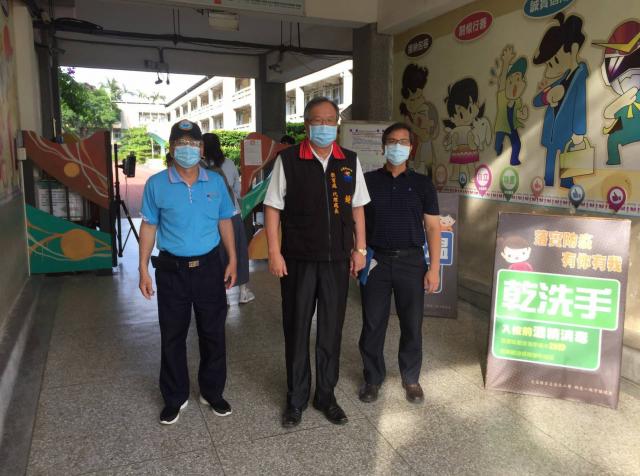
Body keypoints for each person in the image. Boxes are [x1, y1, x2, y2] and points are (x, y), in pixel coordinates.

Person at [264, 97, 370, 428]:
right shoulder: (288, 160)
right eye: (317, 120)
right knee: (296, 328)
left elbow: (357, 207)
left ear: (337, 123)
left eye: (329, 120)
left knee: (330, 330)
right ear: (306, 124)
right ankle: (296, 399)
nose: (324, 126)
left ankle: (326, 395)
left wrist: (360, 249)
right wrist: (274, 251)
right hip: (298, 260)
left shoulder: (349, 161)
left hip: (337, 260)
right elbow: (272, 207)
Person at [138, 119, 237, 425]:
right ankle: (175, 396)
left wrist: (233, 259)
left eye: (193, 144)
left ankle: (212, 391)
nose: (187, 149)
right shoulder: (156, 184)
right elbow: (149, 226)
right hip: (172, 270)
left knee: (213, 333)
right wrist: (142, 268)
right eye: (181, 144)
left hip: (209, 268)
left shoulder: (215, 182)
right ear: (171, 148)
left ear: (202, 148)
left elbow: (225, 220)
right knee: (172, 335)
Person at [357, 122, 441, 404]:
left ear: (411, 148)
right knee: (372, 323)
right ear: (383, 147)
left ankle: (411, 378)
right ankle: (372, 378)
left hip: (412, 262)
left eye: (403, 142)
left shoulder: (423, 184)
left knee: (412, 324)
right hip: (376, 262)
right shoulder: (368, 181)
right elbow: (356, 222)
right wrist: (357, 253)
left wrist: (434, 268)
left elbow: (433, 228)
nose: (397, 146)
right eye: (392, 141)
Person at [201, 132, 255, 305]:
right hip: (232, 215)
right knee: (238, 251)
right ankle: (243, 292)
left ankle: (220, 295)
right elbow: (238, 191)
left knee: (214, 255)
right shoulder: (229, 163)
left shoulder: (198, 166)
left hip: (208, 217)